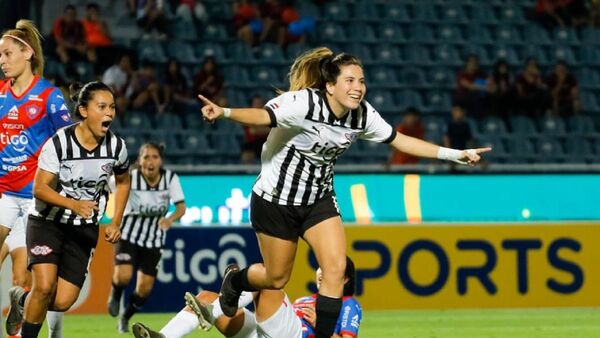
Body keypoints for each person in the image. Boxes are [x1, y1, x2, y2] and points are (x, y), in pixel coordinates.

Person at [197, 47, 490, 338]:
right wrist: (223, 112)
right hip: (276, 200)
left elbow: (400, 140)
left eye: (361, 81)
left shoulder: (361, 115)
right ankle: (235, 281)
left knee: (336, 268)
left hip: (318, 200)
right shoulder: (302, 104)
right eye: (349, 80)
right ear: (330, 85)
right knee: (275, 277)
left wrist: (455, 154)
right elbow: (262, 117)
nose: (358, 87)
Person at [6, 81, 131, 338]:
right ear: (84, 111)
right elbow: (39, 189)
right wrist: (73, 204)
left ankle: (23, 301)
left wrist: (116, 220)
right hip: (47, 222)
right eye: (102, 107)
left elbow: (124, 180)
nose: (109, 113)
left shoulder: (117, 147)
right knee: (44, 286)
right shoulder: (59, 144)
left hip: (84, 229)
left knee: (62, 301)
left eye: (113, 107)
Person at [0, 19, 74, 338]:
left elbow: (69, 143)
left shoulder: (48, 96)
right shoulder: (0, 96)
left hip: (36, 199)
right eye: (0, 56)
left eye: (7, 54)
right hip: (4, 195)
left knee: (31, 278)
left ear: (27, 53)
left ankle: (31, 323)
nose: (2, 61)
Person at [131, 256, 361, 338]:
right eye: (321, 266)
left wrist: (322, 327)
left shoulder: (348, 305)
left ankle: (216, 310)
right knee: (205, 296)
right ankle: (165, 336)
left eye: (330, 269)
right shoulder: (303, 301)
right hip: (261, 333)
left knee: (267, 280)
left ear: (346, 279)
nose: (322, 272)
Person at [107, 142, 186, 333]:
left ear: (161, 160)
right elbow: (107, 186)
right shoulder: (130, 178)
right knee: (123, 276)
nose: (150, 161)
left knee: (144, 290)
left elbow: (181, 208)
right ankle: (116, 294)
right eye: (146, 157)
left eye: (155, 157)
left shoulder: (170, 178)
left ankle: (126, 317)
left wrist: (170, 219)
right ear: (139, 161)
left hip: (154, 239)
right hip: (128, 234)